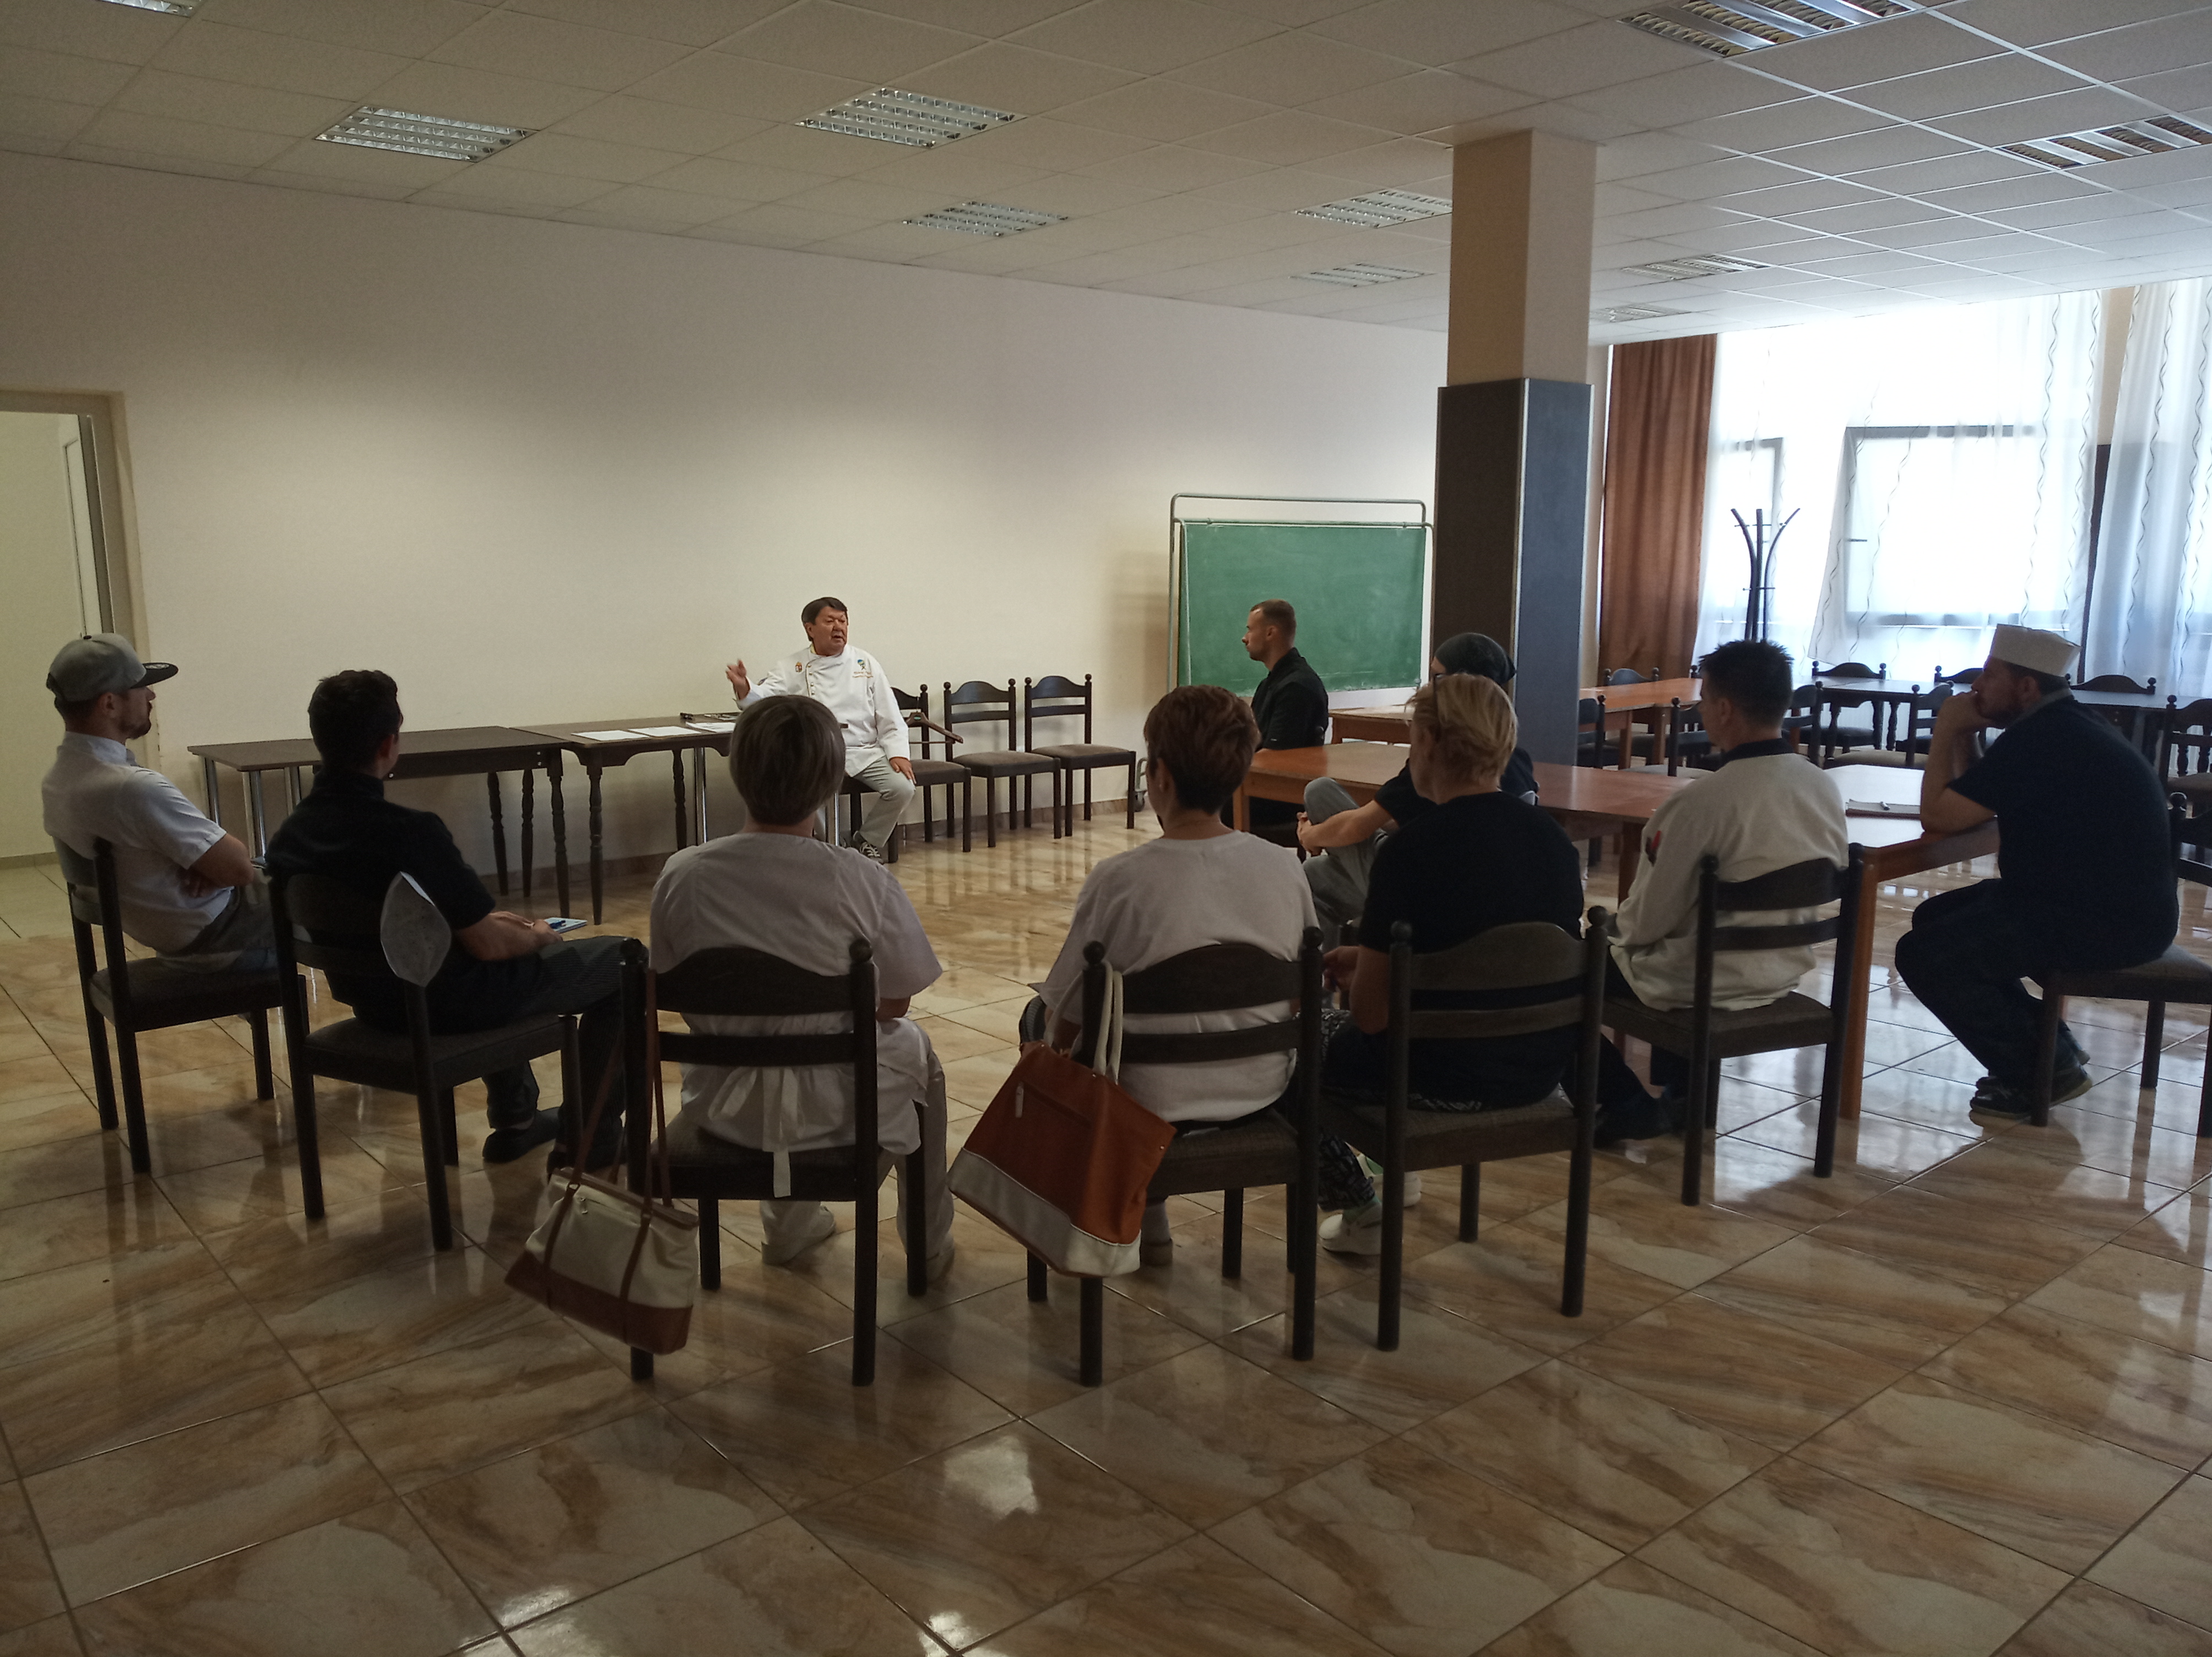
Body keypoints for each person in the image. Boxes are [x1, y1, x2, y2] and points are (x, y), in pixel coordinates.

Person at [265, 671, 628, 1166]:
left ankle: (517, 1120)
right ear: (389, 744)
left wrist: (488, 924)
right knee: (626, 960)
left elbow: (446, 926)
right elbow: (488, 947)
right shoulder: (410, 833)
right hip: (446, 1006)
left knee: (487, 945)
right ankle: (590, 1137)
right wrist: (538, 935)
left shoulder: (290, 837)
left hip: (375, 1006)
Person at [650, 695, 953, 1275]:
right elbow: (895, 1001)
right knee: (918, 1053)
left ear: (739, 773)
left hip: (722, 1102)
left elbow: (668, 982)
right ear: (832, 781)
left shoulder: (682, 874)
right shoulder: (861, 877)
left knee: (769, 1041)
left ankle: (788, 1228)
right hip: (838, 1106)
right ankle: (928, 1243)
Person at [1029, 684, 1317, 1266]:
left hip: (1143, 1102)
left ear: (1158, 774)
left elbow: (1069, 1016)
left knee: (1037, 1016)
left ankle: (1126, 1209)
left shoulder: (1119, 879)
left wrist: (1048, 1044)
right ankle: (1148, 1208)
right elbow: (1297, 1001)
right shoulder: (1284, 868)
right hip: (1260, 1087)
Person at [1317, 675, 1585, 1253]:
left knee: (1289, 1045)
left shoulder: (1410, 852)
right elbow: (1505, 952)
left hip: (1432, 1074)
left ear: (1430, 741)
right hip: (1537, 1069)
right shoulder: (1555, 844)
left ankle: (1361, 1208)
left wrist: (1372, 972)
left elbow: (1370, 1017)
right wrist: (1380, 960)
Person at [1896, 624, 2177, 1120]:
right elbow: (1977, 799)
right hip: (2102, 905)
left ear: (2026, 687)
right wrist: (1966, 736)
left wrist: (1945, 729)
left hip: (2104, 922)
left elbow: (1939, 815)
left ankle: (2043, 1071)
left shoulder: (2040, 739)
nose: (1976, 686)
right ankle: (2048, 1045)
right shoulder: (2065, 724)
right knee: (1936, 919)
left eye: (1990, 675)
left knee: (1923, 954)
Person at [1592, 640, 1850, 1142]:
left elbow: (1650, 919)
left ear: (1725, 709)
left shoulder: (1704, 802)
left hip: (1704, 979)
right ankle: (1683, 1097)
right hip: (1779, 969)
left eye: (1705, 699)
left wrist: (1607, 932)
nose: (1701, 710)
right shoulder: (1823, 787)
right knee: (1680, 937)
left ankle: (1625, 1103)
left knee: (1568, 969)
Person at [41, 633, 273, 972]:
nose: (151, 695)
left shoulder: (57, 782)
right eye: (140, 687)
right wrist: (215, 866)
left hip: (177, 935)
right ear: (109, 704)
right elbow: (237, 868)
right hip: (221, 938)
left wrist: (205, 864)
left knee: (285, 862)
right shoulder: (131, 789)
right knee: (324, 880)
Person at [1297, 632, 1536, 930]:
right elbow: (1405, 817)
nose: (1428, 686)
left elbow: (1357, 827)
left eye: (1436, 677)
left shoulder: (1441, 762)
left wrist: (1311, 835)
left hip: (1424, 900)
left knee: (1320, 792)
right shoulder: (1522, 769)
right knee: (1315, 873)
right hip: (1492, 918)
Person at [724, 597, 913, 862]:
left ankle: (867, 841)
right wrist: (744, 686)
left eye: (843, 621)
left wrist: (898, 752)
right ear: (810, 628)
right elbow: (764, 699)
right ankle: (834, 845)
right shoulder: (792, 666)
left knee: (903, 788)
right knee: (804, 792)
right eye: (830, 621)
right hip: (819, 750)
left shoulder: (865, 662)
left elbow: (889, 712)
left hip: (865, 750)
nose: (839, 627)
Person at [1234, 598, 1329, 832]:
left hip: (1281, 798)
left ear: (1270, 633)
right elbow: (1252, 741)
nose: (1245, 638)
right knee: (1188, 795)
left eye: (1250, 629)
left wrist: (1224, 769)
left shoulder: (1297, 687)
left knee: (1193, 807)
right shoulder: (1271, 683)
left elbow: (1276, 756)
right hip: (1259, 785)